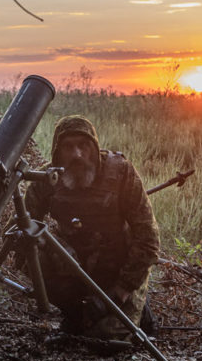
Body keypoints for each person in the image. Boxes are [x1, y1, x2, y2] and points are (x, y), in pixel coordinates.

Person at [23, 115, 161, 340]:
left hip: (118, 270)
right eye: (68, 147)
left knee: (107, 339)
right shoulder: (47, 178)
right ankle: (74, 311)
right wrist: (47, 246)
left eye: (83, 146)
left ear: (94, 149)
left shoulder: (121, 173)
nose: (77, 154)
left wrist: (122, 290)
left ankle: (135, 307)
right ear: (57, 152)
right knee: (31, 250)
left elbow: (148, 237)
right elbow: (19, 228)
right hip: (75, 266)